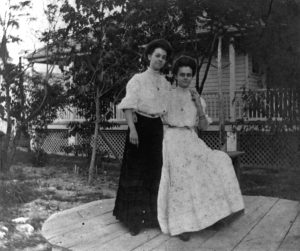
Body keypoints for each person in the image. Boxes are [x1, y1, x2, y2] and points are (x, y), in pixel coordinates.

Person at [157, 55, 245, 241]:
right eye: (182, 74)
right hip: (172, 138)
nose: (186, 78)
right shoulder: (166, 96)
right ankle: (182, 225)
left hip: (191, 138)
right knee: (182, 175)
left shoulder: (197, 98)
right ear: (176, 75)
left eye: (189, 75)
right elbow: (157, 119)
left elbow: (203, 127)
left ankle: (211, 215)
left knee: (218, 161)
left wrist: (198, 105)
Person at [113, 39, 173, 236]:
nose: (160, 60)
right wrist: (132, 129)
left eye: (164, 57)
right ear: (149, 56)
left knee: (154, 171)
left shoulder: (165, 83)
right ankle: (133, 220)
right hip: (139, 127)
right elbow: (129, 106)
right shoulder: (137, 79)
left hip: (156, 127)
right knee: (136, 173)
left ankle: (152, 217)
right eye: (157, 55)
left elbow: (167, 109)